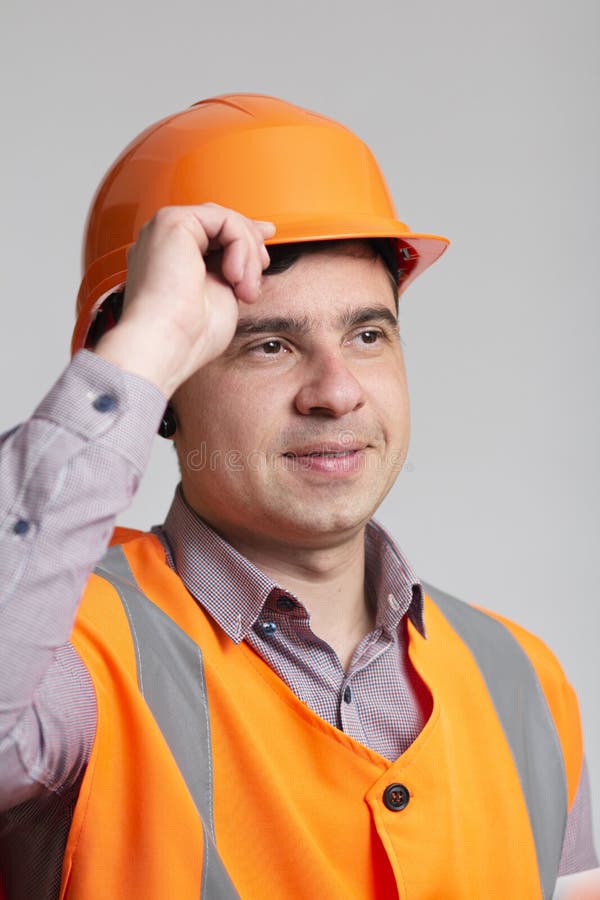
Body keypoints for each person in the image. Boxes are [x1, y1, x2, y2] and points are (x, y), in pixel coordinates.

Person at [0, 94, 597, 900]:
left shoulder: (523, 680)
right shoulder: (73, 653)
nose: (336, 391)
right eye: (270, 345)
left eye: (367, 334)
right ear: (166, 395)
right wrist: (145, 341)